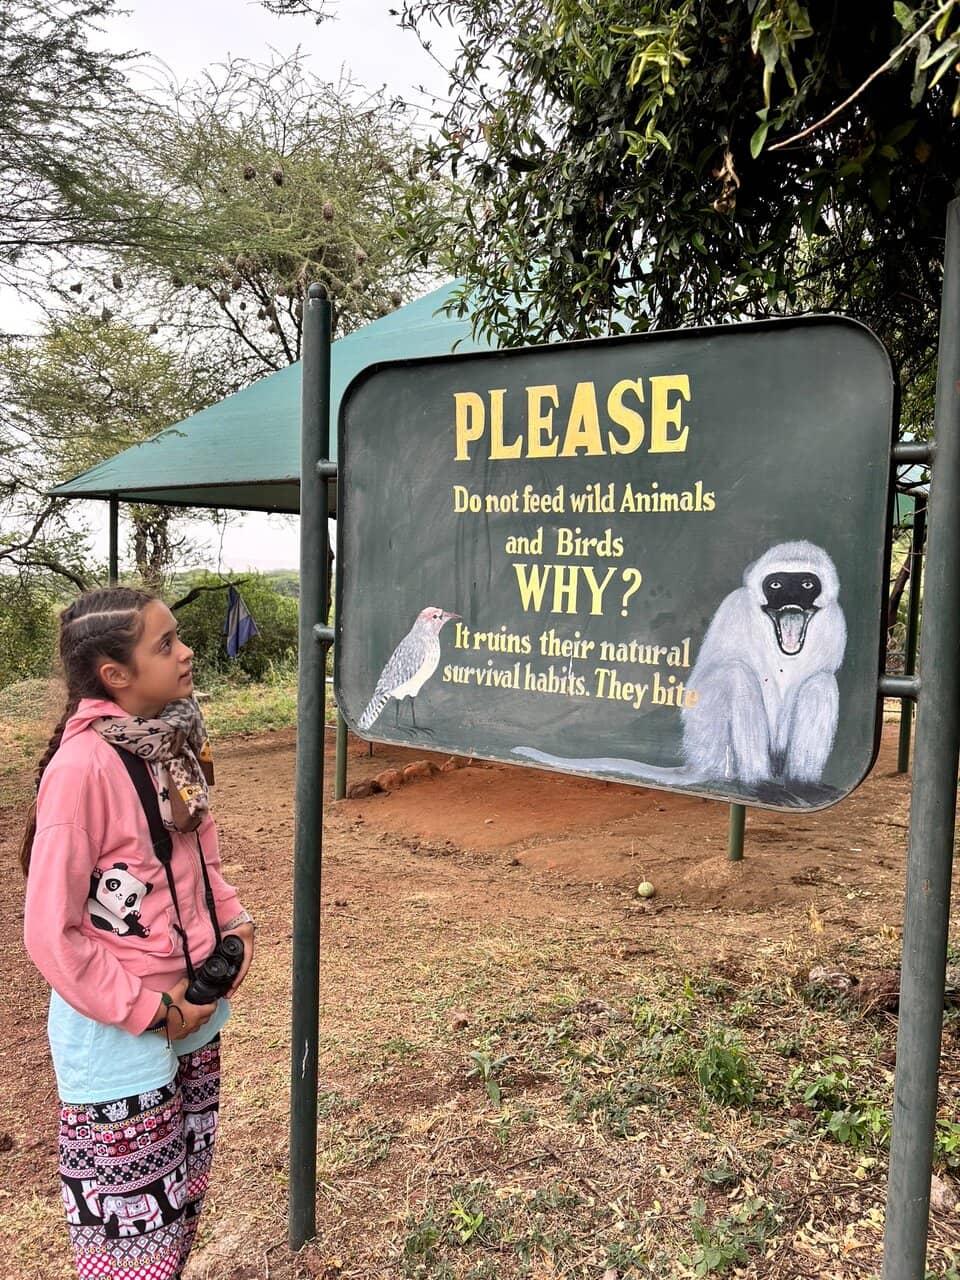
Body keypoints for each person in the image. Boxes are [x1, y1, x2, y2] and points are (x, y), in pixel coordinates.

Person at [21, 587, 255, 1280]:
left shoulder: (174, 744)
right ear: (114, 675)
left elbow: (199, 861)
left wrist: (234, 925)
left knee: (178, 1210)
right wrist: (152, 1012)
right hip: (120, 1039)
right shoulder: (80, 772)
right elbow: (51, 934)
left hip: (192, 1017)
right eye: (166, 644)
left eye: (179, 638)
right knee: (132, 1246)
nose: (186, 653)